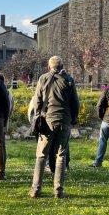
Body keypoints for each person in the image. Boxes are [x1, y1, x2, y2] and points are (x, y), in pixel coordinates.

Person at [28, 56, 79, 198]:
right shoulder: (69, 80)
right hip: (64, 120)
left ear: (49, 67)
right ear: (62, 66)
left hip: (47, 120)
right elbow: (75, 103)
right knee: (61, 156)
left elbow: (37, 101)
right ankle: (58, 190)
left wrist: (38, 115)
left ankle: (35, 189)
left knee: (41, 155)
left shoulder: (43, 78)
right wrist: (72, 118)